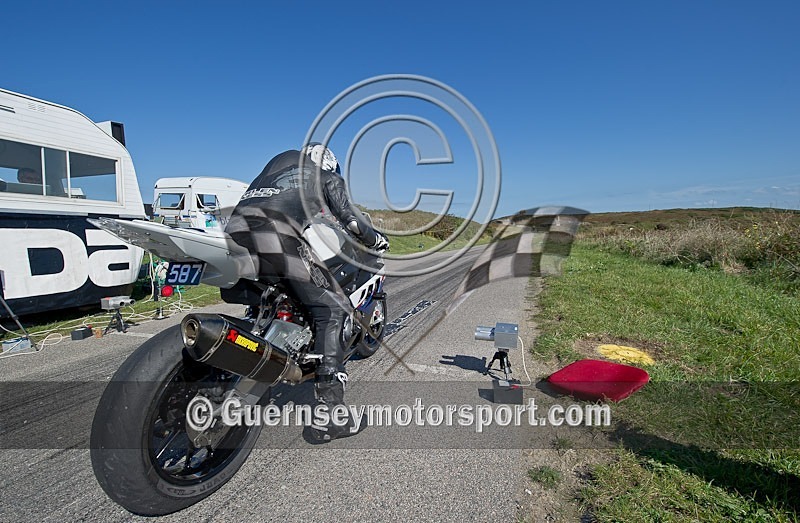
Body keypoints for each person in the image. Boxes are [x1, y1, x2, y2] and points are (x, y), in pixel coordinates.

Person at [225, 144, 388, 443]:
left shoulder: (274, 170)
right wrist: (377, 239)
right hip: (275, 237)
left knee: (275, 300)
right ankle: (330, 414)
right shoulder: (325, 177)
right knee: (333, 310)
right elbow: (352, 221)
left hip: (235, 236)